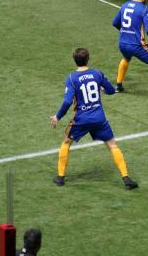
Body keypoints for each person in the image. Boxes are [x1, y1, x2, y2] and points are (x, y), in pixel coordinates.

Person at [50, 48, 138, 189]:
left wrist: (57, 116)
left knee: (66, 142)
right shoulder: (97, 73)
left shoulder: (72, 78)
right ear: (88, 59)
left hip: (82, 119)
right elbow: (111, 90)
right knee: (112, 145)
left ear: (74, 60)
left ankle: (60, 177)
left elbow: (67, 102)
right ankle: (126, 178)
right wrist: (102, 89)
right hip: (99, 118)